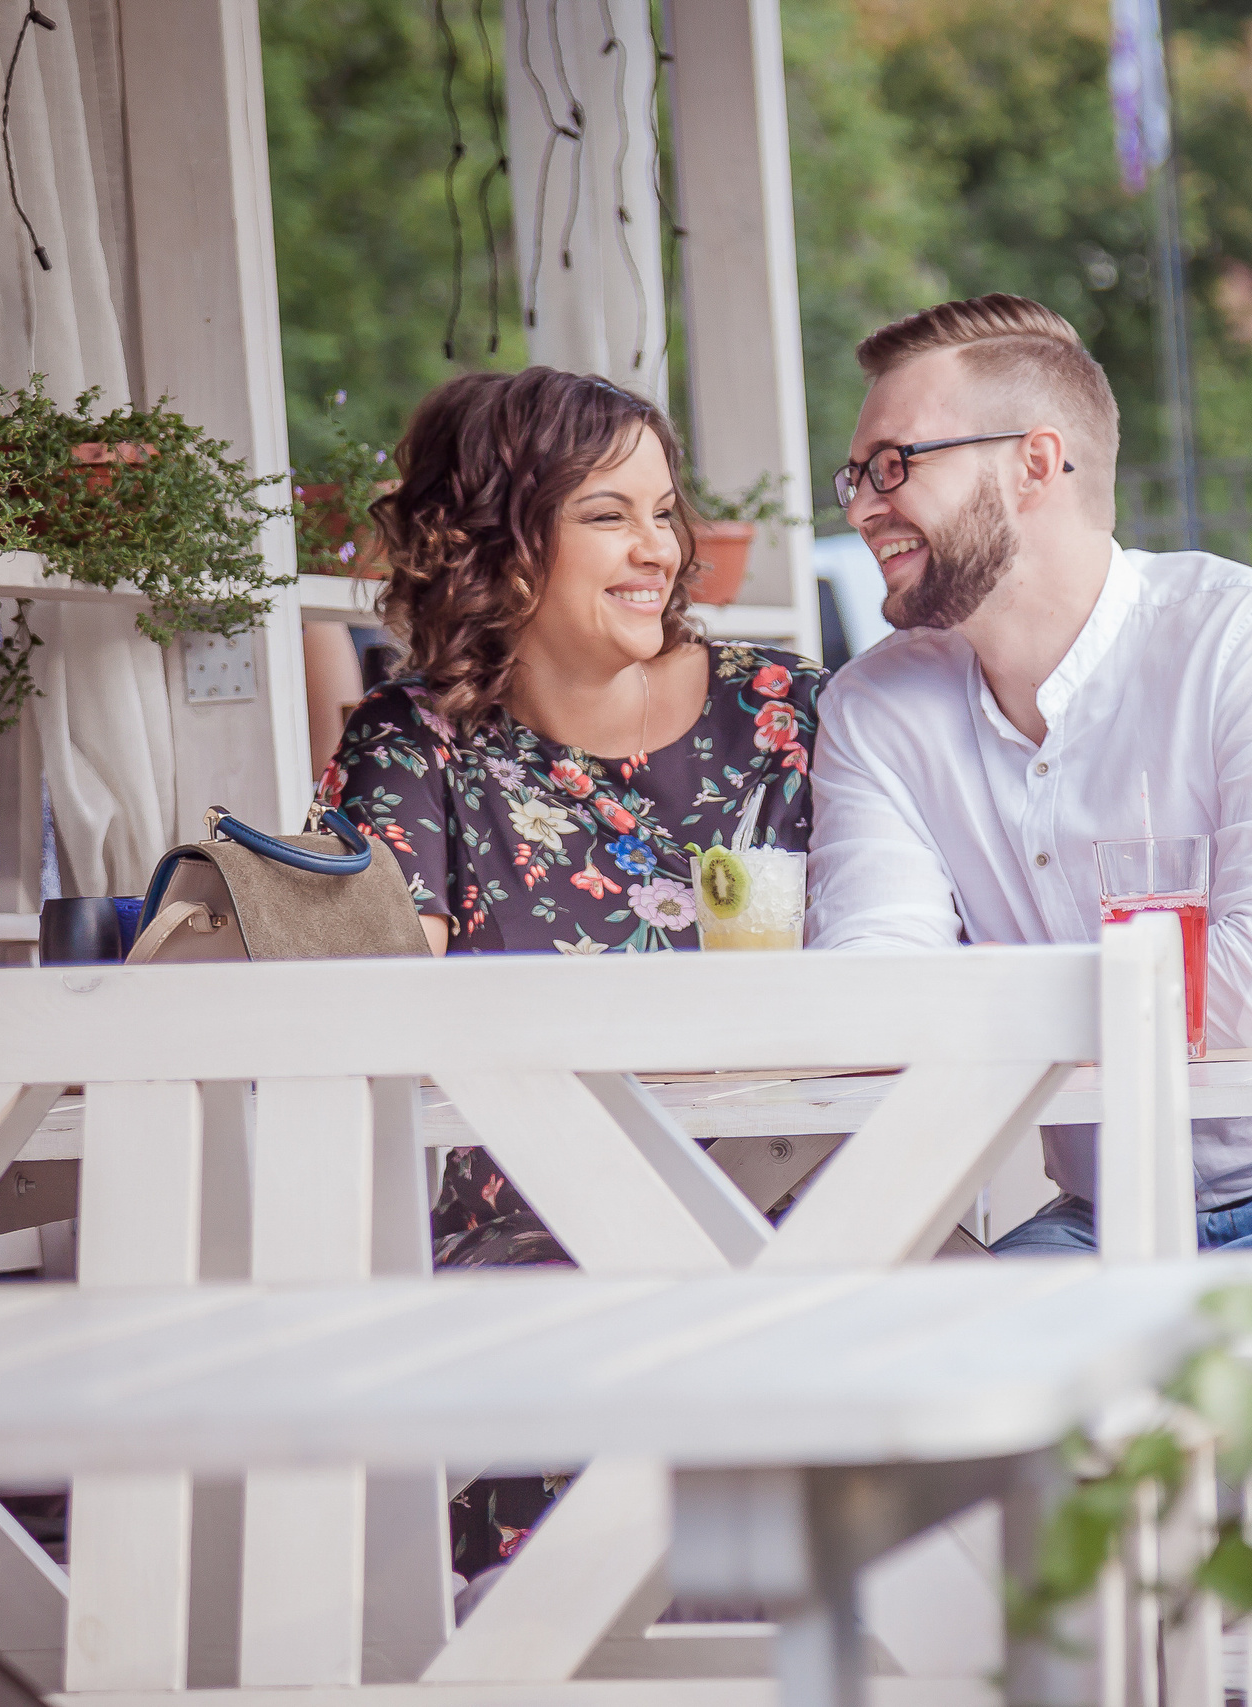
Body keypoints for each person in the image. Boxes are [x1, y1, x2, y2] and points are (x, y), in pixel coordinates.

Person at [316, 366, 823, 1577]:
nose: (659, 549)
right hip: (541, 1242)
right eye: (607, 515)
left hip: (810, 1210)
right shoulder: (414, 741)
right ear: (489, 539)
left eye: (665, 510)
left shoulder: (789, 715)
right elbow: (383, 1003)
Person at [806, 295, 1252, 1253]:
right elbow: (872, 999)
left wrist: (983, 1000)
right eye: (854, 474)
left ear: (1036, 464)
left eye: (894, 465)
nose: (859, 505)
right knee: (911, 1371)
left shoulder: (1250, 635)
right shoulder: (873, 707)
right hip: (1108, 1222)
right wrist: (1114, 995)